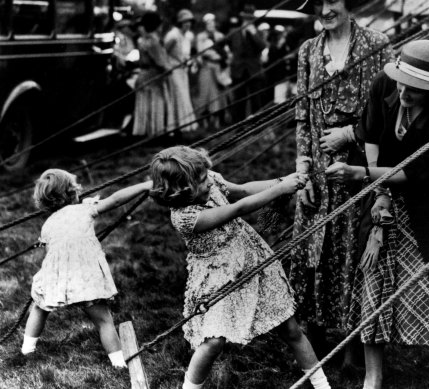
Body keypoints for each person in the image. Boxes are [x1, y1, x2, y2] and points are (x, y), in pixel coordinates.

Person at [325, 40, 429, 386]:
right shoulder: (385, 82)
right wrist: (378, 190)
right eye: (402, 82)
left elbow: (415, 174)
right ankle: (367, 368)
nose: (405, 92)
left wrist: (363, 175)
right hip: (384, 181)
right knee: (372, 268)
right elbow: (372, 132)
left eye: (417, 89)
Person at [149, 146, 331, 389]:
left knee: (290, 328)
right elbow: (239, 208)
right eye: (202, 181)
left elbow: (243, 190)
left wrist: (281, 181)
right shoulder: (184, 218)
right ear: (183, 189)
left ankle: (323, 385)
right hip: (217, 274)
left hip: (251, 259)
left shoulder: (208, 180)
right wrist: (279, 190)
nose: (209, 184)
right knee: (213, 341)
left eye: (206, 177)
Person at [289, 0, 391, 360]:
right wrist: (304, 170)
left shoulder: (375, 44)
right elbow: (302, 114)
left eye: (331, 0)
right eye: (318, 3)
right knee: (315, 249)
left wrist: (349, 134)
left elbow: (386, 107)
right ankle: (315, 333)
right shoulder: (308, 51)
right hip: (318, 169)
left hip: (360, 167)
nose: (324, 9)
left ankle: (353, 344)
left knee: (353, 249)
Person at [21, 169, 151, 368]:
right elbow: (116, 199)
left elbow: (51, 249)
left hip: (57, 276)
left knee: (38, 307)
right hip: (85, 275)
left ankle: (27, 350)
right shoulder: (85, 209)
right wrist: (144, 185)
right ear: (73, 192)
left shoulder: (47, 225)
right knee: (103, 320)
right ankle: (118, 364)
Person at [132, 11, 172, 136]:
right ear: (155, 25)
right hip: (153, 76)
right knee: (155, 104)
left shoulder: (141, 39)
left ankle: (143, 131)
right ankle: (155, 131)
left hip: (143, 75)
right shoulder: (154, 40)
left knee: (144, 104)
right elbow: (160, 61)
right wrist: (169, 69)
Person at [227, 4, 268, 123]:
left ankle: (256, 126)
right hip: (238, 70)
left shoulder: (258, 32)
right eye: (246, 18)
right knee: (239, 99)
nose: (248, 21)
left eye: (250, 19)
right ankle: (238, 126)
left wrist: (254, 33)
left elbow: (262, 46)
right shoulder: (234, 32)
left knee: (256, 100)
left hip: (253, 70)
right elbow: (228, 45)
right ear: (242, 19)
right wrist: (231, 57)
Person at [193, 13, 231, 129]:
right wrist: (214, 55)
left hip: (219, 69)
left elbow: (226, 51)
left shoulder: (220, 36)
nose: (210, 24)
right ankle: (204, 120)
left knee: (218, 95)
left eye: (212, 22)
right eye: (208, 22)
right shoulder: (201, 37)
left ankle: (217, 120)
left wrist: (223, 59)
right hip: (207, 68)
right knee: (205, 94)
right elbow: (202, 51)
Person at [164, 9, 197, 132]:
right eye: (185, 22)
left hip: (183, 71)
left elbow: (186, 54)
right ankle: (174, 128)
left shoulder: (187, 36)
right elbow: (164, 53)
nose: (187, 24)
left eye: (189, 22)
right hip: (174, 71)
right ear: (179, 23)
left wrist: (189, 62)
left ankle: (182, 127)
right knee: (178, 97)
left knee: (184, 97)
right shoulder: (173, 35)